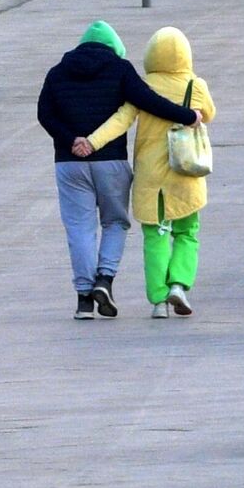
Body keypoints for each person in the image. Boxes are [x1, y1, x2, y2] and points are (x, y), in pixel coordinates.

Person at [37, 20, 200, 320]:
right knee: (115, 222)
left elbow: (44, 114)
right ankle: (105, 280)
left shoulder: (57, 73)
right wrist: (187, 115)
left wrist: (72, 141)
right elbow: (148, 101)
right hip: (110, 162)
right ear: (114, 48)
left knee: (80, 229)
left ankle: (84, 300)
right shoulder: (120, 69)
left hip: (69, 163)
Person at [73, 25, 216, 319]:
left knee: (155, 236)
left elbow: (120, 120)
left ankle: (159, 301)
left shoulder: (141, 85)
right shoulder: (195, 85)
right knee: (187, 231)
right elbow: (209, 114)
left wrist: (92, 141)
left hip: (151, 177)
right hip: (186, 171)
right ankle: (179, 283)